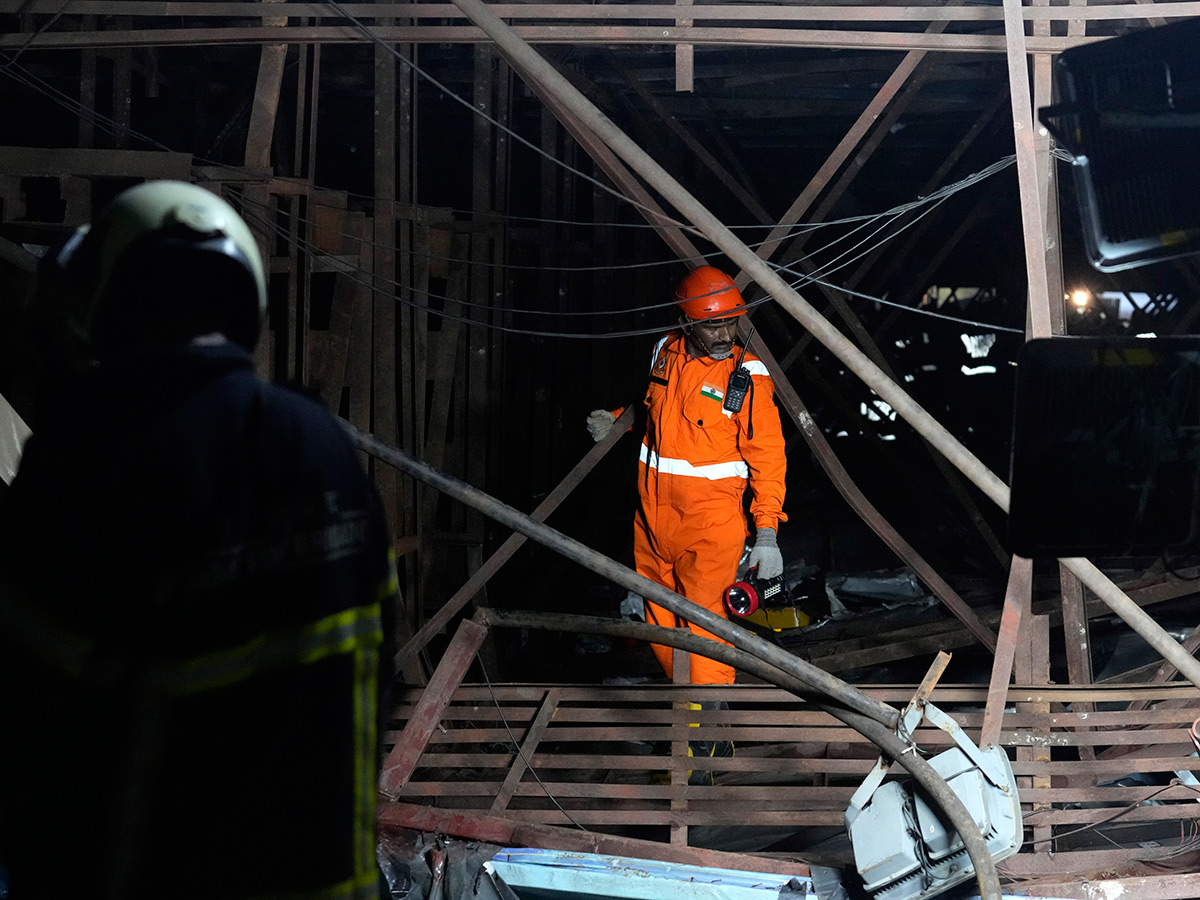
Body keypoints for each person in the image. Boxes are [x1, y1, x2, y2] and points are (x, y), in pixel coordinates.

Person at [0, 181, 395, 900]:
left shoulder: (96, 463)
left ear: (103, 306)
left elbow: (34, 720)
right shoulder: (322, 447)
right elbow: (378, 664)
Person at [587, 265, 787, 775]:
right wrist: (615, 420)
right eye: (712, 325)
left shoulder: (748, 378)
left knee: (706, 631)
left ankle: (707, 739)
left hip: (712, 523)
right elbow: (652, 410)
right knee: (659, 626)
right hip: (653, 521)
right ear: (686, 322)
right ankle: (692, 721)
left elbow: (768, 457)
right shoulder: (663, 352)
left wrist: (766, 533)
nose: (724, 335)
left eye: (732, 323)